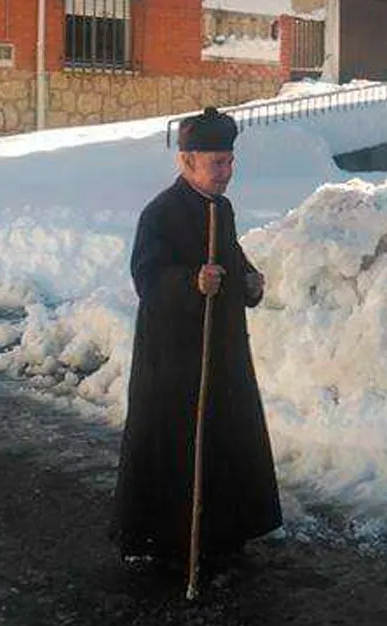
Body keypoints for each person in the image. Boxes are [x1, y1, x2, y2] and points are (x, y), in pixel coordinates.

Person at [108, 106, 283, 570]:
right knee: (178, 444)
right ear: (187, 161)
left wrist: (248, 279)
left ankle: (224, 529)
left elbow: (232, 254)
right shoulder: (160, 214)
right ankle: (168, 538)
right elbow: (146, 277)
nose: (227, 173)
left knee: (225, 438)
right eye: (217, 163)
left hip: (221, 352)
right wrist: (190, 283)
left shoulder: (220, 209)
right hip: (174, 358)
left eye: (230, 162)